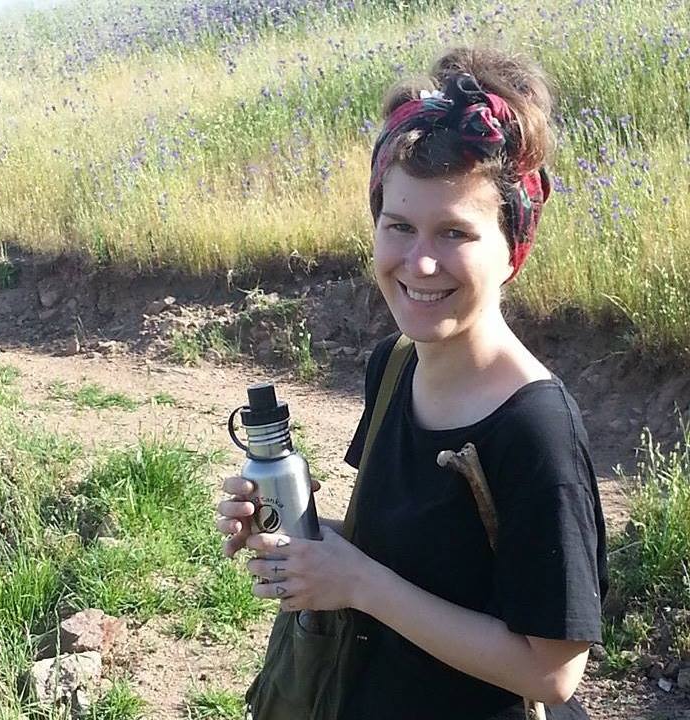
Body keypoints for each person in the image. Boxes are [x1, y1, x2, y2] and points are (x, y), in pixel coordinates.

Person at [217, 45, 608, 720]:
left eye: (454, 232)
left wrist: (361, 584)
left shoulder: (534, 428)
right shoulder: (396, 363)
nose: (420, 262)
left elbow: (553, 671)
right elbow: (401, 555)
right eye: (399, 226)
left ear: (512, 249)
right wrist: (295, 537)